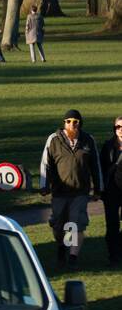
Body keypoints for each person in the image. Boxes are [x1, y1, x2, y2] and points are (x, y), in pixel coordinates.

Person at [40, 110, 102, 268]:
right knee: (58, 226)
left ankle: (73, 257)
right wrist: (44, 185)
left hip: (80, 192)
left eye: (75, 121)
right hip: (60, 192)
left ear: (80, 123)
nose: (72, 124)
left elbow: (96, 166)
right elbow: (45, 164)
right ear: (64, 123)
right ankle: (62, 247)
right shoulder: (53, 140)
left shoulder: (88, 140)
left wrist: (98, 189)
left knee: (76, 224)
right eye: (68, 121)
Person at [102, 116, 122, 265]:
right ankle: (113, 255)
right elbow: (101, 168)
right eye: (118, 127)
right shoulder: (108, 146)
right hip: (111, 192)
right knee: (112, 224)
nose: (120, 130)